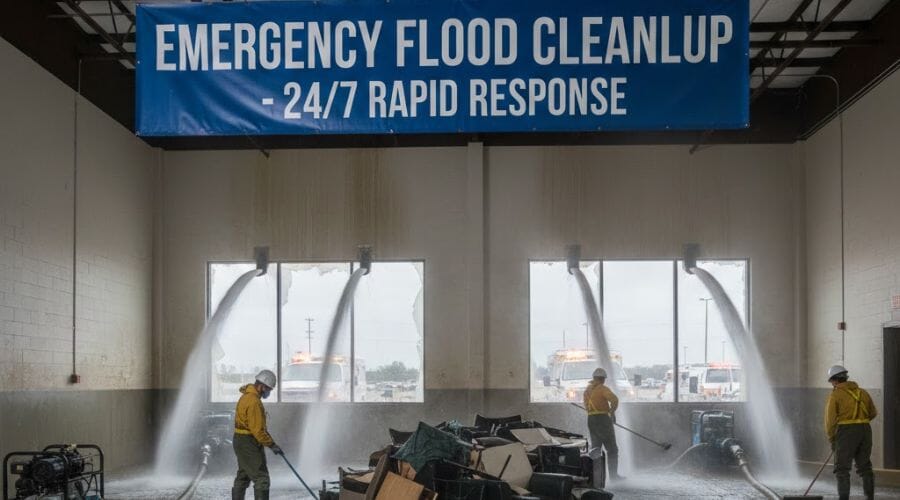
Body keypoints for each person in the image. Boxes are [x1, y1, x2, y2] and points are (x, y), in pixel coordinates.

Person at [824, 364, 877, 500]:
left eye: (831, 381)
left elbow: (830, 421)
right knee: (865, 467)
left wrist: (832, 438)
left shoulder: (835, 395)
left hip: (846, 432)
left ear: (835, 380)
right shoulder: (863, 392)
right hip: (865, 430)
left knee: (842, 469)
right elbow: (873, 413)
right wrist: (860, 421)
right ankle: (870, 497)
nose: (832, 384)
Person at [232, 369, 283, 500]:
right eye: (269, 389)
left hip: (241, 440)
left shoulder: (246, 397)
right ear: (262, 386)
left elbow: (257, 427)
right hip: (248, 441)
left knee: (244, 474)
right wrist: (272, 445)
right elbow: (258, 431)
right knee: (262, 478)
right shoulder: (253, 401)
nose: (269, 392)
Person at [584, 367, 623, 481]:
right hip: (603, 420)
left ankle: (595, 479)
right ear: (602, 379)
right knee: (612, 449)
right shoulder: (602, 388)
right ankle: (614, 477)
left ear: (594, 378)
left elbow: (587, 406)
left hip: (591, 420)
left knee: (596, 450)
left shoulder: (587, 391)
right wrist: (612, 412)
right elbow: (614, 400)